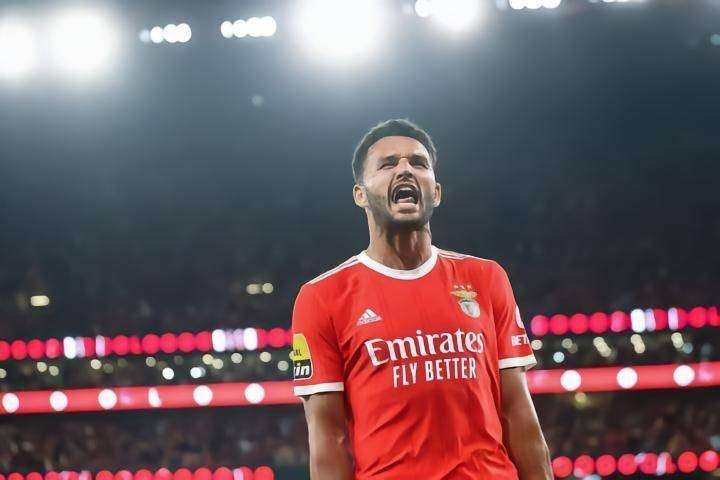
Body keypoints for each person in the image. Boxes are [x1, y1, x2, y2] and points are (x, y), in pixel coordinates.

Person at [291, 119, 553, 479]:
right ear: (360, 194)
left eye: (418, 163)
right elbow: (328, 440)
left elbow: (518, 411)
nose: (405, 170)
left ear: (437, 191)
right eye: (388, 164)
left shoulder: (486, 278)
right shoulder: (322, 297)